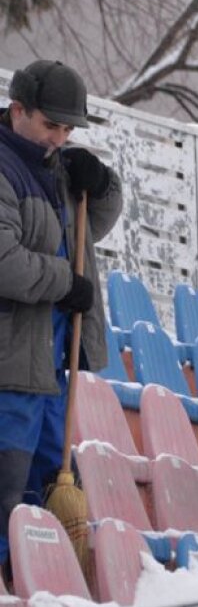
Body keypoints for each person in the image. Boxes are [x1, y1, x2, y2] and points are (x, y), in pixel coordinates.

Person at [0, 60, 123, 545]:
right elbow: (4, 258)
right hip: (8, 366)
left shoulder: (53, 168)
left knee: (51, 486)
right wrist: (63, 283)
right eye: (51, 125)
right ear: (17, 111)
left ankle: (48, 590)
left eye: (69, 128)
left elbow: (88, 229)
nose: (60, 137)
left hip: (48, 365)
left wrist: (102, 182)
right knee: (6, 492)